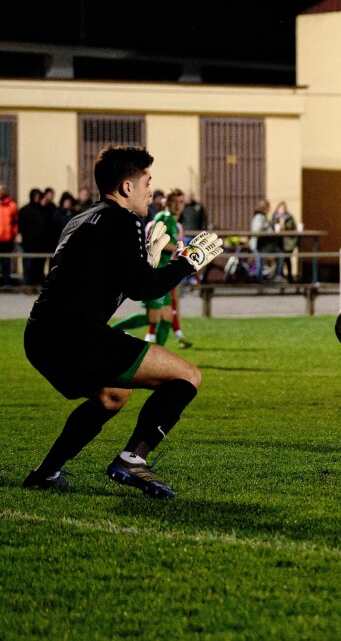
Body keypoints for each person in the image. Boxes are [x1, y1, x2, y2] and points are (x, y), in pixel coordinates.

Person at [21, 144, 222, 498]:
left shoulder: (82, 218)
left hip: (39, 338)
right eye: (146, 182)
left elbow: (101, 279)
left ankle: (46, 473)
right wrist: (189, 260)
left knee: (112, 396)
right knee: (188, 375)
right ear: (127, 187)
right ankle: (132, 459)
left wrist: (143, 260)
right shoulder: (124, 219)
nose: (150, 191)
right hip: (77, 337)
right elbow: (143, 288)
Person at [113, 189, 192, 348]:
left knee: (167, 316)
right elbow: (158, 241)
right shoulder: (164, 218)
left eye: (181, 202)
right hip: (155, 273)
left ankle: (159, 351)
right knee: (153, 318)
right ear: (167, 203)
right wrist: (182, 250)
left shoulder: (174, 223)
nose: (178, 206)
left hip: (163, 273)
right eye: (174, 202)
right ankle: (112, 331)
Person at [18, 187, 51, 286]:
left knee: (39, 266)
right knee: (28, 266)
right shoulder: (25, 210)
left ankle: (38, 285)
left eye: (38, 196)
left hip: (41, 245)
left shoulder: (45, 211)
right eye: (35, 196)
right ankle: (27, 286)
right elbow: (20, 226)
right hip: (28, 244)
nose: (37, 198)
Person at [250, 199, 277, 281]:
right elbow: (257, 230)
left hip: (262, 244)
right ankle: (259, 280)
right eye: (268, 207)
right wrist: (267, 229)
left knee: (261, 262)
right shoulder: (259, 217)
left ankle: (260, 279)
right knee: (259, 263)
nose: (269, 209)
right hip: (259, 244)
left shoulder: (262, 217)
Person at [271, 201, 298, 282]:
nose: (282, 210)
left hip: (287, 242)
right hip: (277, 241)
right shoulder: (275, 217)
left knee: (287, 259)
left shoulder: (289, 217)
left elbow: (292, 227)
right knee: (278, 259)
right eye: (281, 208)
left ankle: (289, 276)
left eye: (284, 208)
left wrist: (284, 224)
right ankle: (279, 275)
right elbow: (272, 227)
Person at [0, 184, 18, 286]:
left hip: (7, 239)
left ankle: (6, 283)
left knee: (6, 262)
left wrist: (15, 234)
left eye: (2, 190)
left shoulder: (11, 205)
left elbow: (15, 222)